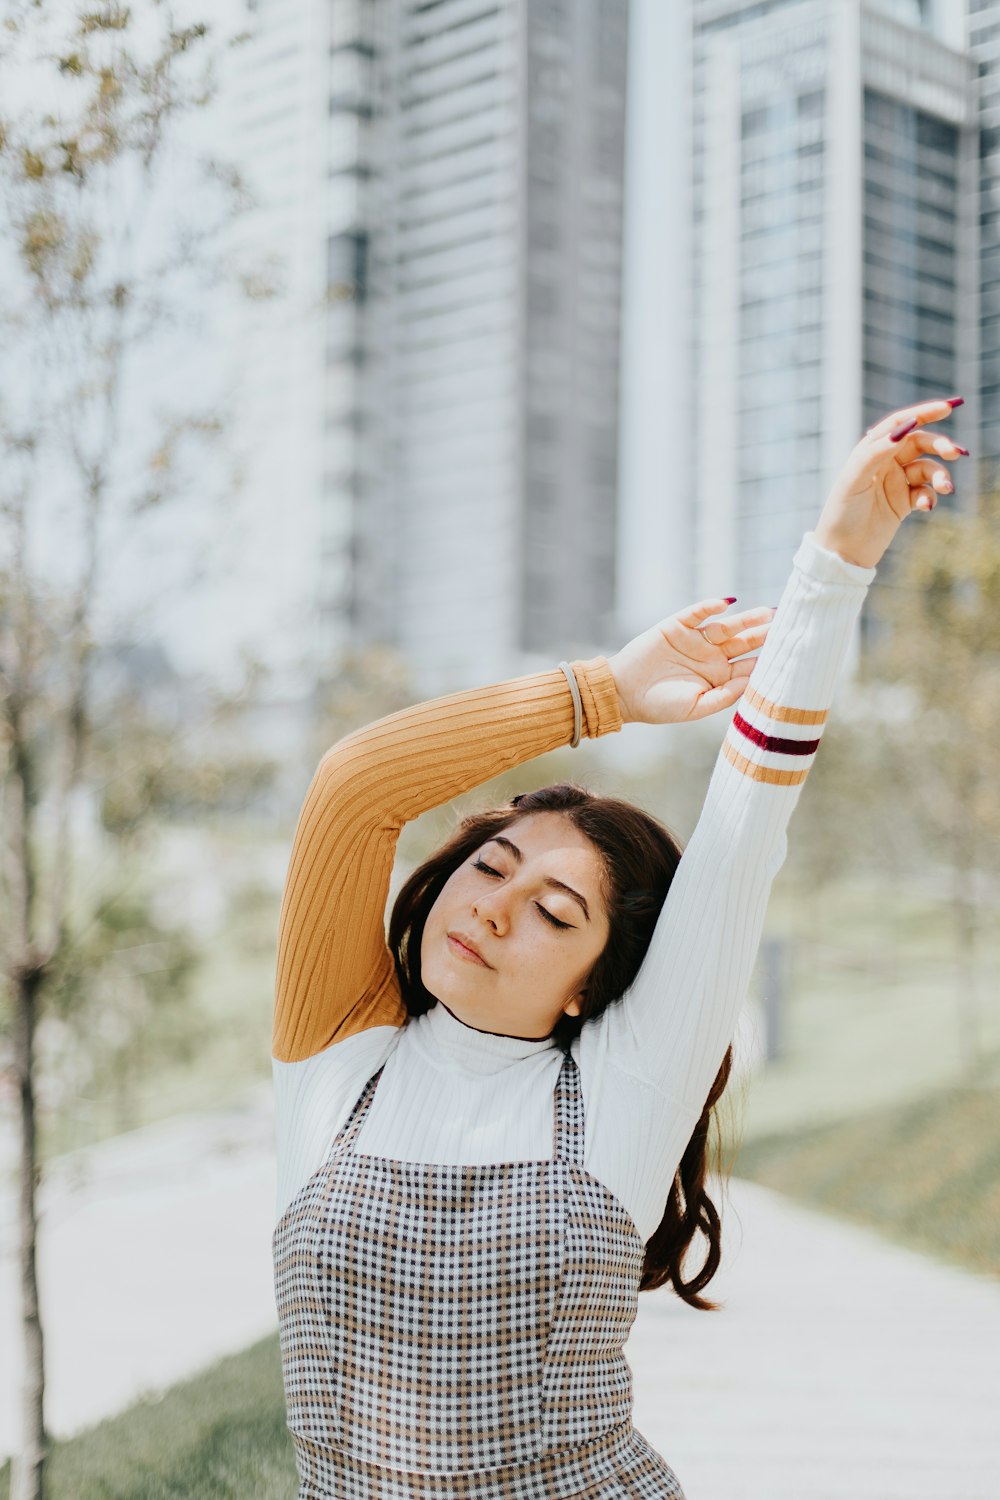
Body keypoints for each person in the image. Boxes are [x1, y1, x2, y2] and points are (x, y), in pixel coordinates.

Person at [271, 398, 965, 1499]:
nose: (495, 910)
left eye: (556, 914)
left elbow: (744, 832)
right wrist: (605, 692)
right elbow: (355, 786)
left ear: (594, 986)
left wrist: (834, 561)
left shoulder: (622, 1090)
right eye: (490, 868)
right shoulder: (335, 1061)